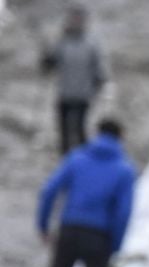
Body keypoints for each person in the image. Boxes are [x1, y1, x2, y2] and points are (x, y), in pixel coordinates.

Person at [30, 118, 136, 267]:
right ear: (120, 136)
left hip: (69, 230)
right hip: (100, 238)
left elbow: (49, 191)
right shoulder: (124, 170)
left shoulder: (77, 159)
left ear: (97, 133)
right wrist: (116, 245)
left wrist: (43, 225)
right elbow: (123, 213)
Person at [42, 5, 107, 155]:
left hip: (83, 94)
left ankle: (84, 161)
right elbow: (51, 65)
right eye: (73, 19)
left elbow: (99, 67)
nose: (76, 22)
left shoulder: (90, 44)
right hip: (64, 93)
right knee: (64, 132)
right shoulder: (62, 42)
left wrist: (100, 83)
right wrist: (46, 59)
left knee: (80, 129)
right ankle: (66, 162)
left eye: (79, 19)